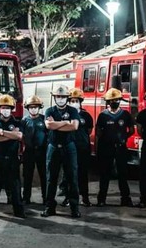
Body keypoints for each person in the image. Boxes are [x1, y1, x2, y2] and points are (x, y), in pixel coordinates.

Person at [41, 84, 81, 218]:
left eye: (63, 97)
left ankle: (74, 208)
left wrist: (56, 124)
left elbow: (74, 127)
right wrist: (65, 123)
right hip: (53, 147)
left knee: (72, 178)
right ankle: (49, 207)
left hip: (69, 147)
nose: (61, 99)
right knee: (51, 178)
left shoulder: (73, 111)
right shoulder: (49, 111)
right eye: (58, 96)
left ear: (67, 98)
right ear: (54, 97)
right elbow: (48, 125)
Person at [0, 95, 25, 218]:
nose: (6, 110)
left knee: (15, 185)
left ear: (12, 108)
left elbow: (19, 136)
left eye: (8, 107)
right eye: (3, 107)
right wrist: (11, 135)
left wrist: (2, 132)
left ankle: (18, 210)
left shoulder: (17, 122)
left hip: (12, 158)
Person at [95, 88, 134, 207]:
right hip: (106, 148)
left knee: (123, 173)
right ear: (108, 101)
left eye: (116, 99)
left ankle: (126, 198)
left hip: (121, 148)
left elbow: (131, 130)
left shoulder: (125, 115)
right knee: (105, 174)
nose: (114, 102)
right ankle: (101, 199)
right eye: (112, 100)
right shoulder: (103, 116)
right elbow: (98, 132)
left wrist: (123, 138)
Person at [59, 88, 93, 207]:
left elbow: (89, 130)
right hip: (68, 148)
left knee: (83, 174)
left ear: (80, 101)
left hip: (83, 149)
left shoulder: (86, 116)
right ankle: (68, 197)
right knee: (69, 174)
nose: (74, 103)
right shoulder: (65, 115)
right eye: (72, 100)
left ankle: (85, 197)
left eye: (76, 100)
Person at [21, 95, 47, 205]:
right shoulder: (24, 120)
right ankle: (26, 197)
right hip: (29, 151)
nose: (33, 109)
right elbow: (20, 135)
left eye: (36, 107)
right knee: (27, 175)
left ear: (39, 107)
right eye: (31, 107)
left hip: (42, 151)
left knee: (44, 175)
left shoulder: (44, 119)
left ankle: (46, 197)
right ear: (27, 108)